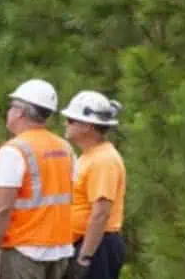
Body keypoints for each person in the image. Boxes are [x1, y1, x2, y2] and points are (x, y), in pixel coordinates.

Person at [0, 79, 75, 279]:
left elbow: (1, 209)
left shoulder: (14, 150)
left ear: (20, 112)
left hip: (24, 250)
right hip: (60, 250)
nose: (8, 112)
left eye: (11, 107)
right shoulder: (65, 148)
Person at [61, 91, 126, 279]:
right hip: (89, 244)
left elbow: (101, 213)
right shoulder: (90, 155)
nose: (66, 123)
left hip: (98, 246)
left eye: (71, 120)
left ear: (87, 126)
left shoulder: (103, 160)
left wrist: (84, 256)